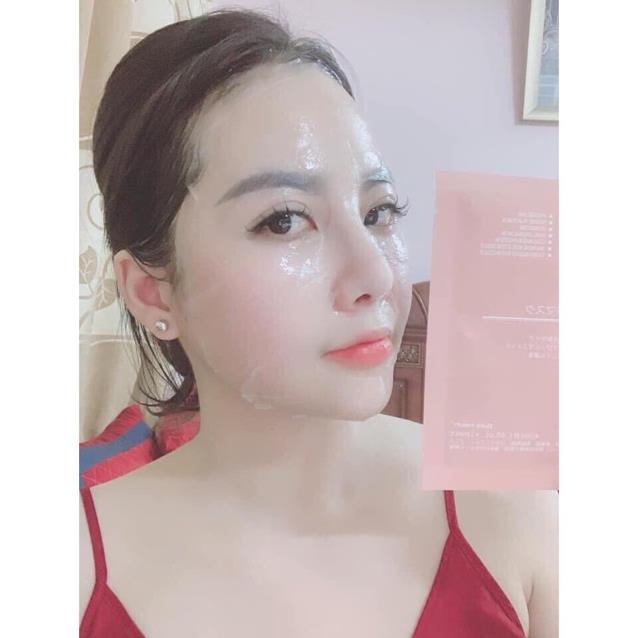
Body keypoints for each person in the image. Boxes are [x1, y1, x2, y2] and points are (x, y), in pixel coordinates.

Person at [79, 8, 558, 637]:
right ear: (152, 292)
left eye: (379, 211)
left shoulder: (515, 518)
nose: (376, 275)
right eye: (284, 220)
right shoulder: (71, 565)